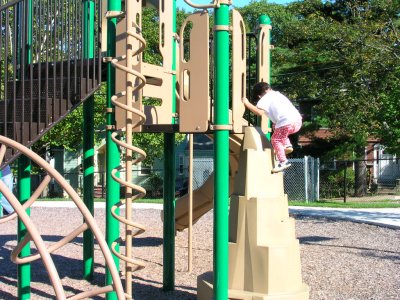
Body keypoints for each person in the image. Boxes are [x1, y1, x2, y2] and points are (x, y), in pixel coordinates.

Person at [242, 82, 302, 172]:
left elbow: (259, 112)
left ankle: (283, 161)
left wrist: (246, 103)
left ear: (259, 96)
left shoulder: (263, 99)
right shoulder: (277, 94)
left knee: (275, 140)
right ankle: (286, 145)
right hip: (297, 122)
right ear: (268, 88)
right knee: (276, 128)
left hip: (286, 122)